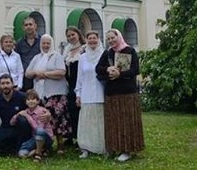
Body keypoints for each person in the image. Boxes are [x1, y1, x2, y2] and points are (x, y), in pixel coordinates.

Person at [95, 29, 144, 162]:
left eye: (113, 38)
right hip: (112, 93)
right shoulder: (108, 53)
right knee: (114, 122)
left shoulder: (130, 51)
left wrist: (120, 74)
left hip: (127, 92)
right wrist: (108, 70)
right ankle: (114, 147)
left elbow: (135, 70)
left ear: (119, 37)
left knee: (126, 122)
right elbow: (98, 69)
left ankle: (126, 149)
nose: (111, 41)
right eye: (109, 39)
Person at [25, 34, 70, 153]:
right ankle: (45, 145)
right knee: (44, 120)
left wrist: (44, 74)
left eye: (48, 43)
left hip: (56, 93)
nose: (45, 45)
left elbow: (61, 72)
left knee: (58, 119)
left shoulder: (57, 56)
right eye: (43, 43)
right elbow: (27, 73)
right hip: (41, 94)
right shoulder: (37, 57)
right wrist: (35, 72)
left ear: (52, 44)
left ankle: (60, 144)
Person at [75, 30, 106, 158]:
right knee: (87, 123)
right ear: (86, 41)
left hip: (100, 94)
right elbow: (80, 77)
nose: (92, 41)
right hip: (86, 95)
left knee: (100, 123)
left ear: (98, 40)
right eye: (90, 39)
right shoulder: (82, 58)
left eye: (94, 38)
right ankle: (86, 147)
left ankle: (101, 147)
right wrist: (78, 94)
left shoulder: (104, 55)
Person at [0, 74, 30, 155]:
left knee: (21, 119)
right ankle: (11, 148)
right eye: (3, 83)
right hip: (5, 128)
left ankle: (19, 148)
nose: (5, 86)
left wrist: (47, 113)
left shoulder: (22, 96)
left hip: (21, 129)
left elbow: (36, 107)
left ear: (12, 84)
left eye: (7, 83)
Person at [12, 89, 53, 162]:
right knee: (21, 153)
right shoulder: (26, 111)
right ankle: (41, 150)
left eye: (33, 99)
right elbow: (11, 123)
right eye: (28, 99)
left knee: (40, 131)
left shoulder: (42, 111)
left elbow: (38, 129)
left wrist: (28, 116)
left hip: (46, 138)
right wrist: (18, 115)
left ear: (38, 101)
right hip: (34, 138)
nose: (31, 101)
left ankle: (38, 154)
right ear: (26, 102)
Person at [62, 26, 84, 146]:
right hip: (70, 84)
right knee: (71, 110)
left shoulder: (84, 49)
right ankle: (71, 136)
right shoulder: (67, 51)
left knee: (80, 111)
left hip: (81, 83)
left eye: (73, 34)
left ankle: (81, 137)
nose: (71, 37)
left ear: (78, 34)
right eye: (69, 36)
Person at [16, 17, 41, 91]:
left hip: (39, 77)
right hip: (25, 78)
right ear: (23, 28)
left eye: (30, 24)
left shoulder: (42, 40)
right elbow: (17, 60)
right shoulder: (19, 43)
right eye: (26, 25)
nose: (28, 27)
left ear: (35, 26)